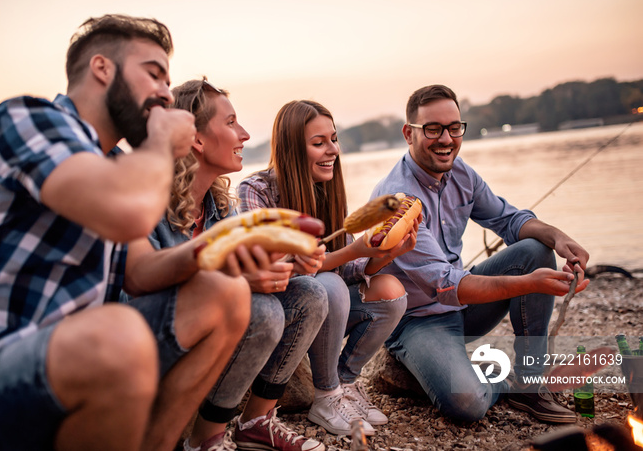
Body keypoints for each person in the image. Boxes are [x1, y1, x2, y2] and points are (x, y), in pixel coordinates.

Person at [0, 15, 251, 451]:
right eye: (153, 74)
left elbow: (140, 270)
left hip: (76, 359)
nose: (166, 93)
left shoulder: (112, 164)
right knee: (117, 335)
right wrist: (160, 143)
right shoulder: (28, 118)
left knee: (226, 293)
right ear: (102, 68)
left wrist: (222, 246)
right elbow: (124, 212)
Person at [369, 84, 590, 424]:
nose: (446, 139)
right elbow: (445, 284)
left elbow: (508, 219)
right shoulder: (395, 199)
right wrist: (529, 284)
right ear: (408, 133)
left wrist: (558, 237)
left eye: (454, 128)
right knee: (466, 404)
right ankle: (499, 382)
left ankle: (530, 382)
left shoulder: (461, 173)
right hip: (417, 322)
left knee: (534, 248)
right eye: (433, 129)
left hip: (465, 306)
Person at [128, 78, 329, 451]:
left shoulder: (219, 205)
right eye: (232, 122)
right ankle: (204, 439)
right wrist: (238, 277)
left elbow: (241, 268)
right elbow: (139, 288)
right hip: (150, 336)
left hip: (212, 320)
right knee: (265, 313)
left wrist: (289, 262)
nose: (246, 134)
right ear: (198, 140)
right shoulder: (148, 200)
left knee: (310, 295)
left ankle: (256, 421)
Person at [237, 100, 420, 436]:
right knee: (328, 286)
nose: (332, 150)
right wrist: (353, 249)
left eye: (333, 140)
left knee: (390, 291)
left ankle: (346, 383)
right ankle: (325, 396)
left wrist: (387, 252)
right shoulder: (256, 191)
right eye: (318, 143)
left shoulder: (326, 191)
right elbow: (278, 269)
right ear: (292, 148)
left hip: (327, 310)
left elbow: (350, 268)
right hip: (286, 314)